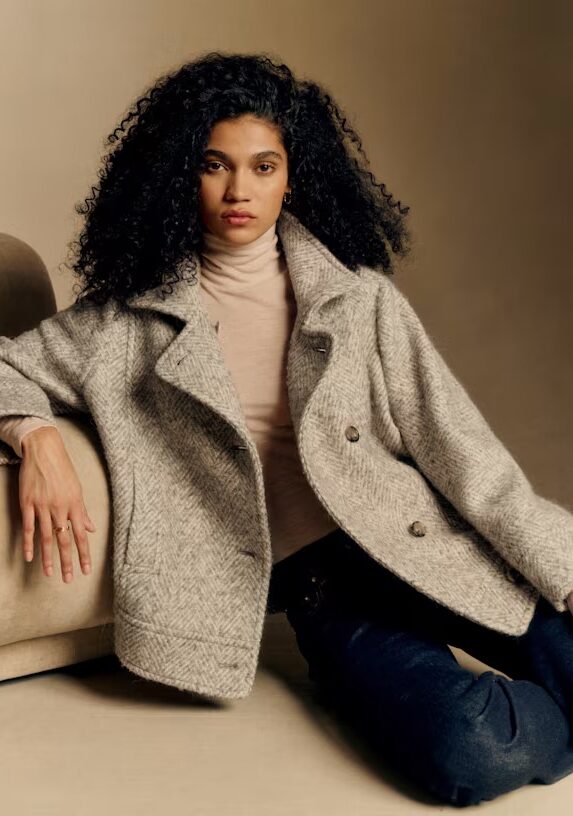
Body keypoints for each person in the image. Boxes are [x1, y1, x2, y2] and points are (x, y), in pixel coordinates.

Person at [1, 51, 572, 807]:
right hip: (321, 582)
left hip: (417, 541)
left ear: (292, 175)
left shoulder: (357, 299)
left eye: (262, 166)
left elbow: (462, 451)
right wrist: (32, 434)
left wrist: (559, 565)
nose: (239, 190)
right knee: (468, 754)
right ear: (182, 174)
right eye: (215, 165)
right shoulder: (122, 321)